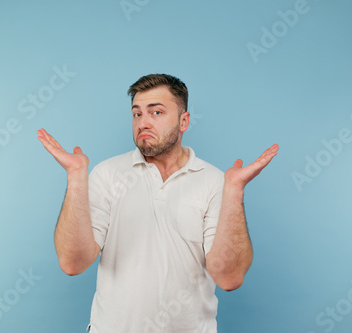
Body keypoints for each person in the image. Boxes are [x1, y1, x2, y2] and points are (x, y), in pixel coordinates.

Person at [37, 74, 278, 332]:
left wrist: (234, 191)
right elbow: (73, 263)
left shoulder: (214, 182)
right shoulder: (107, 174)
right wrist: (75, 176)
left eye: (156, 112)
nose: (144, 122)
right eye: (137, 114)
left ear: (183, 121)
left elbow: (229, 277)